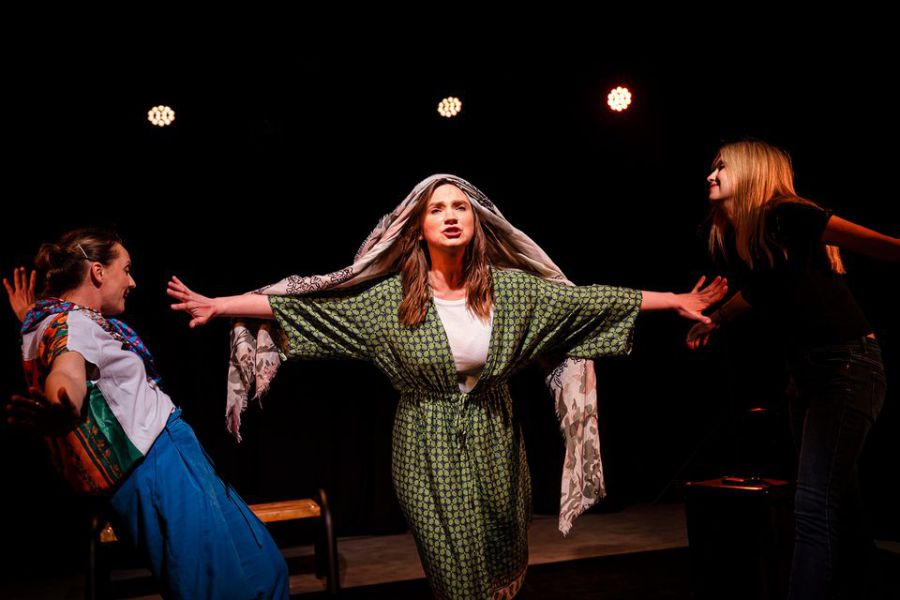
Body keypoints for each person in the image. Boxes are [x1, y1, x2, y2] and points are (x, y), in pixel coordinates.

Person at [169, 174, 727, 599]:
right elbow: (301, 308)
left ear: (477, 222)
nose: (451, 216)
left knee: (503, 565)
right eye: (437, 209)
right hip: (424, 444)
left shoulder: (514, 292)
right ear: (418, 227)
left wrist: (676, 300)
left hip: (496, 441)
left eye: (460, 207)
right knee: (455, 577)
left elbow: (594, 302)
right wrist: (220, 305)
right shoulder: (388, 301)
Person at [4, 229, 289, 599]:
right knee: (217, 587)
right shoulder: (71, 325)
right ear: (97, 272)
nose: (132, 281)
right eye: (126, 269)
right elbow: (67, 372)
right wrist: (64, 405)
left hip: (172, 455)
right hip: (157, 467)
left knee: (265, 569)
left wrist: (30, 314)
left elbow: (61, 347)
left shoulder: (49, 321)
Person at [687, 140, 900, 600]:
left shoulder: (786, 213)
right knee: (842, 509)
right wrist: (716, 319)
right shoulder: (751, 232)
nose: (710, 175)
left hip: (846, 368)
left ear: (753, 171)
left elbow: (880, 246)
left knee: (813, 507)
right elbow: (760, 290)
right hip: (807, 374)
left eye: (722, 167)